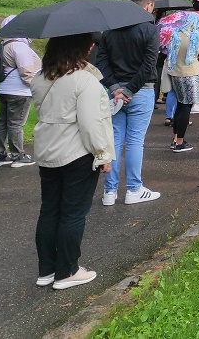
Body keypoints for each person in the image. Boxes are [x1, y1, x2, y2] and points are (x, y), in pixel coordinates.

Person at [31, 32, 115, 290]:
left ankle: (47, 268)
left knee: (49, 210)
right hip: (77, 153)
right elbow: (91, 124)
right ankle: (67, 270)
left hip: (48, 152)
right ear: (83, 48)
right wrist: (103, 154)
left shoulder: (41, 77)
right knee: (73, 214)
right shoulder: (85, 81)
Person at [94, 0, 162, 205]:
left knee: (114, 141)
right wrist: (129, 91)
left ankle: (110, 192)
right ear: (149, 6)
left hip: (114, 94)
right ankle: (133, 189)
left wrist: (115, 88)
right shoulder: (150, 30)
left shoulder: (110, 32)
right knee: (135, 142)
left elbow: (101, 63)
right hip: (140, 92)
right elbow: (149, 65)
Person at [0, 15, 42, 168]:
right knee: (16, 123)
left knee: (2, 121)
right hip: (19, 91)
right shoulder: (19, 46)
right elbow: (26, 72)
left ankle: (0, 154)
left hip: (3, 89)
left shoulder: (3, 44)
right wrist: (36, 87)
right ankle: (18, 155)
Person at [166, 13, 199, 153]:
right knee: (186, 107)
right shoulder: (195, 37)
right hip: (191, 75)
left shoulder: (175, 34)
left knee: (180, 105)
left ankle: (175, 138)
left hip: (175, 73)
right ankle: (180, 142)